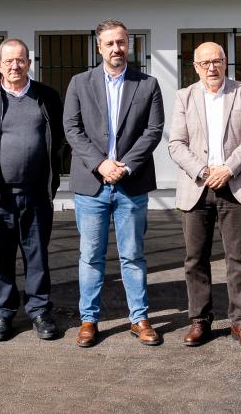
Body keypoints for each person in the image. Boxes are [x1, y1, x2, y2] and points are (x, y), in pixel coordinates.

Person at [63, 19, 165, 348]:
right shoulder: (79, 83)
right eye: (109, 43)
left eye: (121, 42)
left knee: (133, 255)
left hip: (130, 184)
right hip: (91, 184)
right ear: (99, 47)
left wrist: (125, 166)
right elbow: (72, 129)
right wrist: (100, 163)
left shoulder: (147, 84)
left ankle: (139, 318)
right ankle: (89, 320)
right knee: (90, 255)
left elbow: (153, 130)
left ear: (129, 45)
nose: (116, 49)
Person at [0, 38, 65, 342]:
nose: (15, 66)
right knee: (0, 257)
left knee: (37, 256)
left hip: (36, 194)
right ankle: (3, 313)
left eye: (20, 60)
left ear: (29, 63)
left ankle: (39, 311)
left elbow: (59, 137)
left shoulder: (46, 96)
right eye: (8, 61)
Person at [167, 42, 241, 349]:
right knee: (195, 259)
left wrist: (229, 168)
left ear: (226, 63)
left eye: (217, 61)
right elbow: (176, 144)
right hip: (197, 188)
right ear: (195, 67)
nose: (211, 67)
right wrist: (204, 171)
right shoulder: (184, 97)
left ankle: (240, 321)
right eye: (205, 63)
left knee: (237, 258)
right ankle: (199, 320)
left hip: (233, 185)